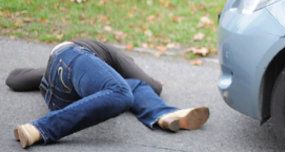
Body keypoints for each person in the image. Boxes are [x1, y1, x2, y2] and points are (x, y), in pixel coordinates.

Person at [6, 40, 210, 149]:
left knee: (129, 88)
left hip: (60, 96)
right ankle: (40, 128)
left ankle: (162, 115)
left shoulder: (62, 71)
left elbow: (14, 79)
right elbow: (153, 86)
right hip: (73, 54)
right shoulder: (109, 55)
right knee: (123, 92)